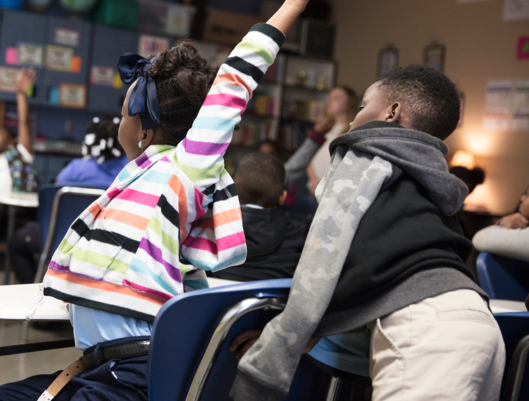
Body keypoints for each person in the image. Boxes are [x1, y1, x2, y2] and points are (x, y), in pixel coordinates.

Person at [0, 0, 360, 401]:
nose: (118, 121)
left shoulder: (185, 169)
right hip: (99, 368)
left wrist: (292, 3)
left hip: (131, 377)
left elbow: (233, 83)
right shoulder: (138, 173)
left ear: (144, 124)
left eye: (123, 110)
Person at [230, 66, 505, 401]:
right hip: (478, 319)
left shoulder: (365, 149)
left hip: (422, 326)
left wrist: (269, 360)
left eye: (362, 106)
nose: (350, 121)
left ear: (391, 113)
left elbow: (321, 262)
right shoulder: (429, 180)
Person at [8, 116, 128, 284]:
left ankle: (35, 286)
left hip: (63, 239)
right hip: (111, 244)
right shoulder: (130, 170)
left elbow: (54, 196)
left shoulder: (75, 168)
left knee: (19, 242)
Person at [212, 153, 311, 282]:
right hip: (275, 302)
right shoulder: (303, 231)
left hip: (218, 300)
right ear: (283, 197)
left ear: (233, 190)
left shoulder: (211, 228)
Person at [305, 85, 358, 192]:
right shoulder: (323, 129)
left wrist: (324, 186)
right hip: (312, 187)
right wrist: (314, 180)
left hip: (330, 192)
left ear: (348, 104)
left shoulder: (352, 133)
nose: (329, 100)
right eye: (329, 97)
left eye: (336, 98)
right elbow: (307, 156)